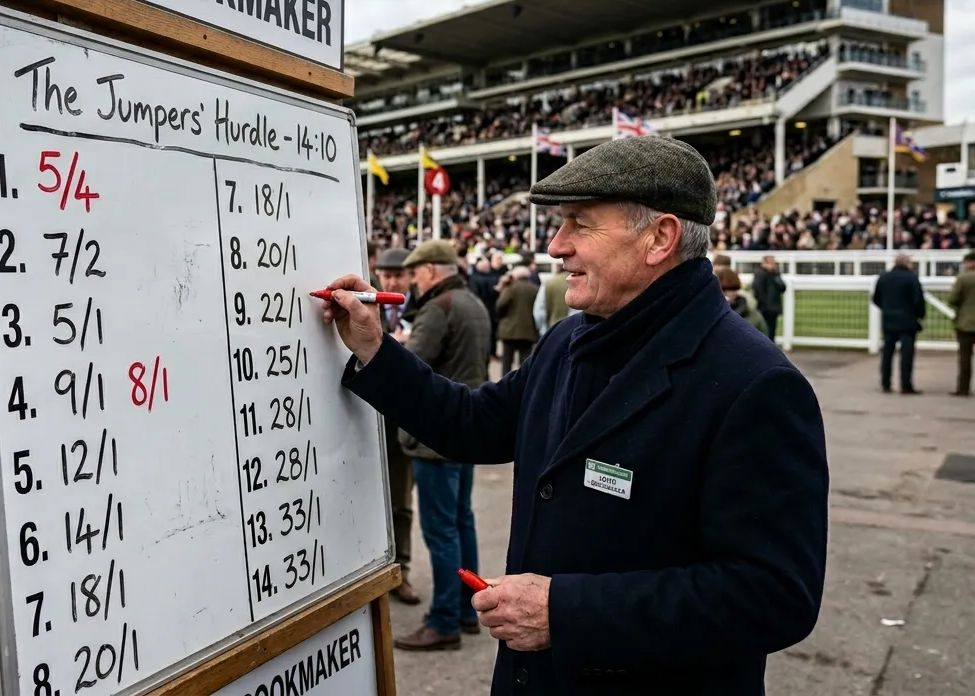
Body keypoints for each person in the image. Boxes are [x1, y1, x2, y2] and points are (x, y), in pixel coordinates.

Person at [319, 136, 827, 693]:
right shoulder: (569, 340)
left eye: (579, 224)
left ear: (660, 237)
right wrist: (374, 347)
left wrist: (565, 611)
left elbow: (774, 595)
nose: (557, 246)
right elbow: (471, 423)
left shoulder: (754, 383)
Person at [390, 240, 490, 652]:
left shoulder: (438, 308)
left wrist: (395, 342)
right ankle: (468, 610)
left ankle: (445, 619)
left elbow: (411, 366)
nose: (413, 281)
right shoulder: (473, 302)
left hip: (434, 438)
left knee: (441, 531)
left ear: (430, 270)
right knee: (462, 522)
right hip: (466, 432)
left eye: (415, 273)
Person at [373, 247, 419, 605]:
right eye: (386, 275)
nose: (391, 281)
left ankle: (400, 570)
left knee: (400, 502)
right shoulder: (366, 306)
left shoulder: (424, 309)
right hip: (365, 422)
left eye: (398, 275)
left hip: (402, 424)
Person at [871, 253, 926, 394]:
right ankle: (906, 384)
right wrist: (919, 315)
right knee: (906, 355)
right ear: (907, 263)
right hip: (907, 321)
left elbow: (876, 298)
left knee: (887, 354)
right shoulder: (911, 278)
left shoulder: (883, 277)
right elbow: (918, 300)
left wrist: (887, 308)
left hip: (889, 320)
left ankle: (885, 382)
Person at [495, 266, 539, 372]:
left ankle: (505, 385)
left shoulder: (511, 288)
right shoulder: (535, 289)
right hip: (528, 330)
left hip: (509, 330)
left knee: (507, 361)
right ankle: (524, 385)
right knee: (525, 360)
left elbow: (500, 305)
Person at [948, 251, 975, 397]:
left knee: (965, 358)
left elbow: (953, 299)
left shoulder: (963, 278)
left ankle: (963, 388)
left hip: (966, 322)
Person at [716, 267, 768, 335]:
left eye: (734, 289)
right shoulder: (709, 315)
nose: (730, 293)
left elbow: (764, 339)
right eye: (724, 289)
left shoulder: (753, 315)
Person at [752, 255, 786, 340]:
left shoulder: (775, 274)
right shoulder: (760, 274)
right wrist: (764, 305)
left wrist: (774, 274)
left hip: (773, 308)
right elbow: (758, 290)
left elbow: (782, 287)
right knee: (764, 332)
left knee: (771, 332)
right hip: (764, 308)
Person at [532, 261, 570, 337]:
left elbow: (539, 311)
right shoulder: (577, 283)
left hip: (552, 329)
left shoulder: (549, 283)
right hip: (573, 331)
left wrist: (543, 331)